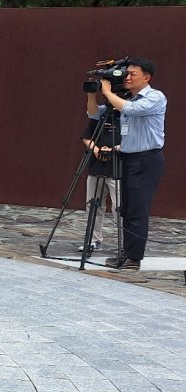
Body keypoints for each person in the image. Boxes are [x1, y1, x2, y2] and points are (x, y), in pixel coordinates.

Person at [90, 58, 167, 271]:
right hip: (128, 158)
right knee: (125, 209)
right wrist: (92, 94)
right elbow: (95, 114)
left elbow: (132, 111)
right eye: (126, 74)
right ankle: (127, 252)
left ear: (146, 77)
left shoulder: (155, 97)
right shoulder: (123, 98)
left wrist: (108, 93)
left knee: (137, 210)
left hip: (146, 160)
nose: (128, 77)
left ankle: (134, 258)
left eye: (133, 74)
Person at [78, 101, 121, 253]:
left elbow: (133, 141)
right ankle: (93, 240)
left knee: (119, 207)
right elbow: (86, 136)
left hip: (117, 168)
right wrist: (95, 149)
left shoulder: (128, 116)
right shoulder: (100, 114)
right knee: (93, 205)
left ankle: (124, 243)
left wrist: (114, 149)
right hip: (96, 166)